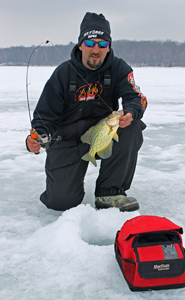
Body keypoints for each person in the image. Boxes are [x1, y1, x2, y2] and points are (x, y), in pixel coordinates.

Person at [26, 12, 147, 212]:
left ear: (109, 47)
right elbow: (44, 115)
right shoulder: (63, 73)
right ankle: (71, 182)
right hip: (67, 141)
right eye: (90, 43)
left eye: (102, 44)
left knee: (132, 127)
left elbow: (137, 98)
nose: (96, 49)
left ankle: (109, 193)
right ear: (81, 44)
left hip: (102, 135)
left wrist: (131, 112)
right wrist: (37, 137)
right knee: (61, 203)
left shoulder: (119, 68)